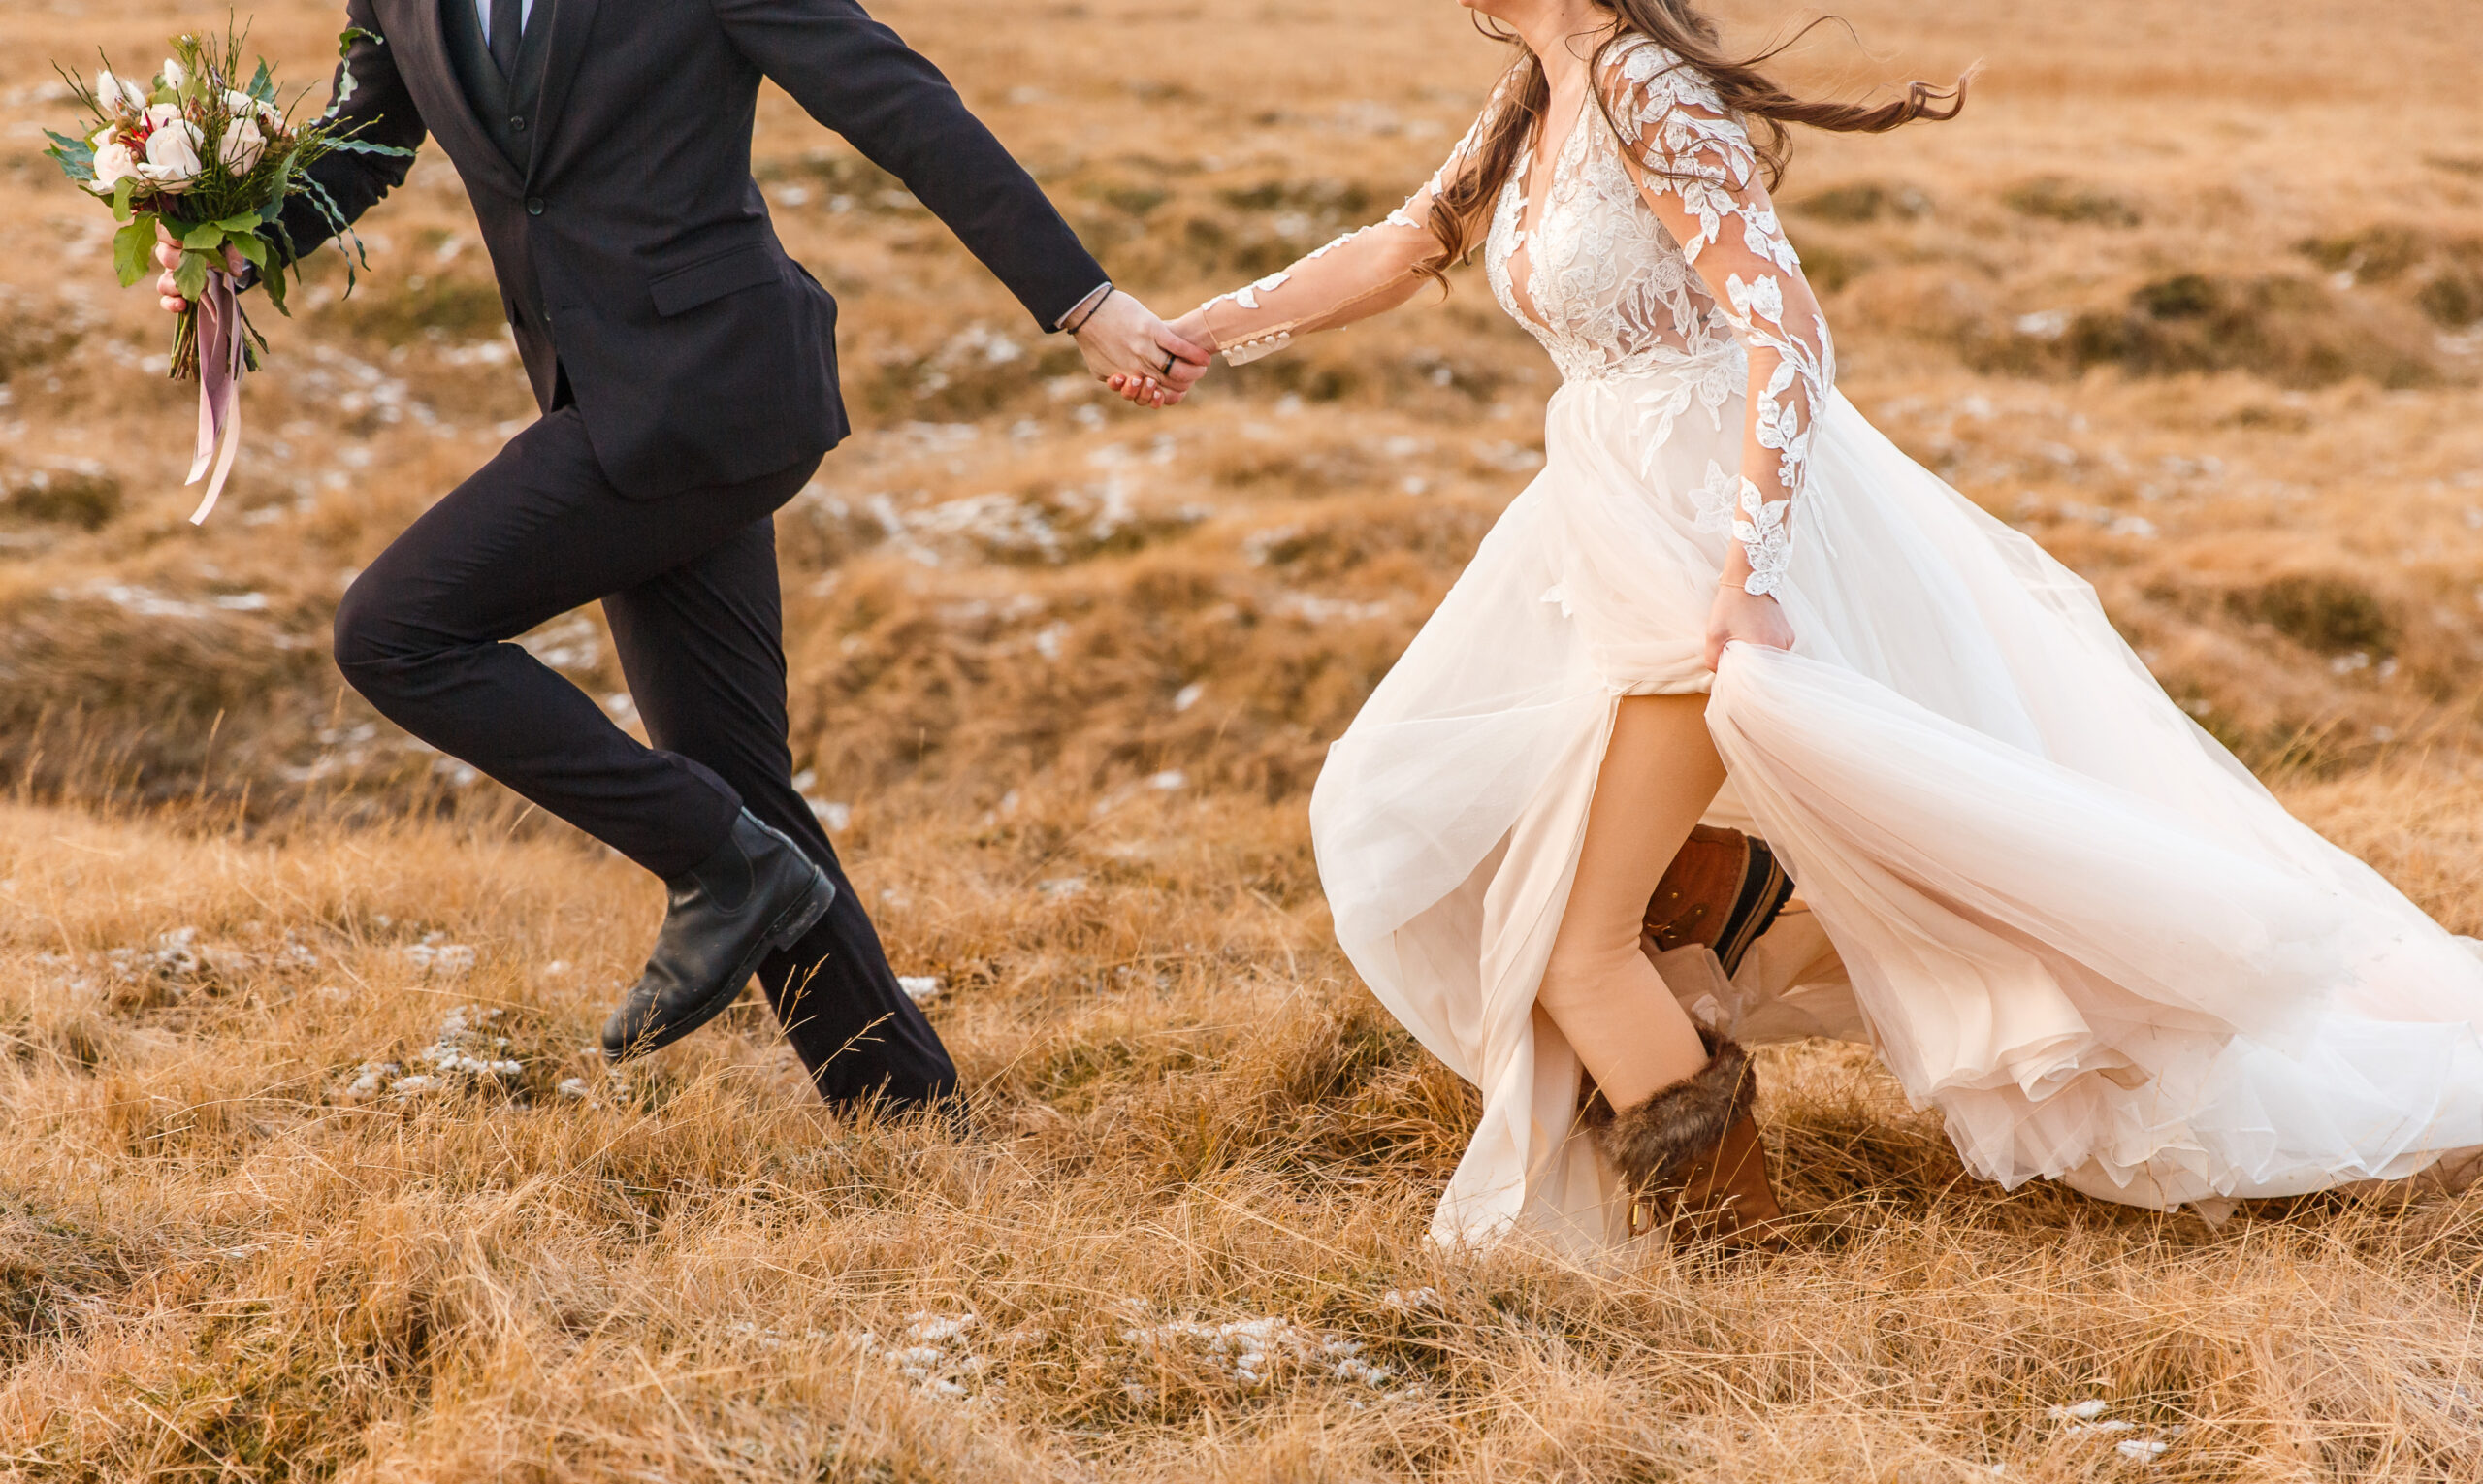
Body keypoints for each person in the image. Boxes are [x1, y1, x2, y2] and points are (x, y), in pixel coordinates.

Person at [1113, 0, 2483, 1252]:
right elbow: (1402, 246)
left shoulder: (1647, 88)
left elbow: (1788, 331)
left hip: (1711, 526)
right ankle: (1732, 969)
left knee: (1576, 942)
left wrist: (1748, 564)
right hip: (1605, 519)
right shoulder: (1538, 93)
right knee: (1462, 823)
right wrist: (1194, 333)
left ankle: (1739, 1251)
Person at [159, 0, 1208, 1116]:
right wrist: (234, 238)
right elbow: (370, 136)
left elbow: (896, 102)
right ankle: (902, 1110)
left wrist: (1082, 301)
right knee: (737, 778)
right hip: (602, 397)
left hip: (721, 385)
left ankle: (719, 861)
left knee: (395, 631)